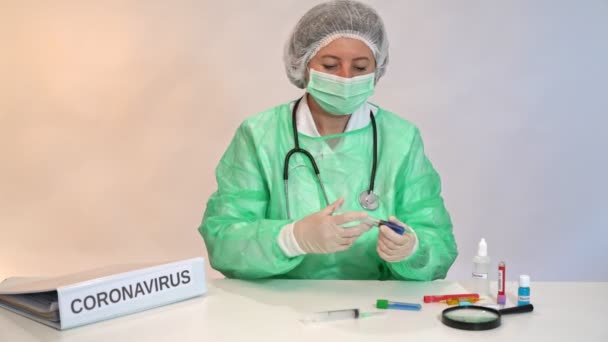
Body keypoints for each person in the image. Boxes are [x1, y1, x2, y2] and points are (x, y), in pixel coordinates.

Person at [198, 0, 457, 280]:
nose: (345, 78)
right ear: (304, 64)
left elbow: (439, 241)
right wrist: (290, 238)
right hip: (278, 309)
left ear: (377, 68)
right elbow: (223, 239)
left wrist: (413, 249)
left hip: (374, 307)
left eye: (360, 67)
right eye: (331, 65)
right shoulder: (260, 135)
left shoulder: (400, 138)